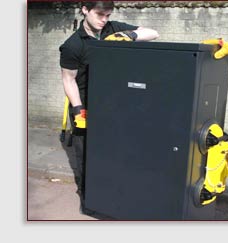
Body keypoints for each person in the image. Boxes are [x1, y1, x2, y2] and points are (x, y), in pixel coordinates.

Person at [59, 1, 159, 216]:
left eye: (107, 15)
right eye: (99, 14)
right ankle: (89, 200)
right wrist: (78, 109)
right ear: (85, 10)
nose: (103, 20)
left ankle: (114, 197)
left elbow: (153, 33)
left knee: (115, 152)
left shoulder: (113, 28)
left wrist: (129, 36)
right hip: (85, 105)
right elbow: (69, 80)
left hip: (113, 104)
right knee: (86, 156)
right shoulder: (73, 45)